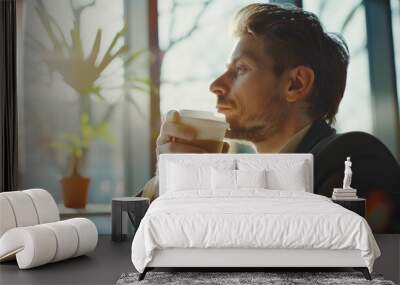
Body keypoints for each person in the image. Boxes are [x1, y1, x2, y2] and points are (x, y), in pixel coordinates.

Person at [142, 3, 400, 233]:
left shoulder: (356, 157)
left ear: (296, 84)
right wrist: (168, 181)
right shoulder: (247, 178)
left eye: (241, 69)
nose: (216, 85)